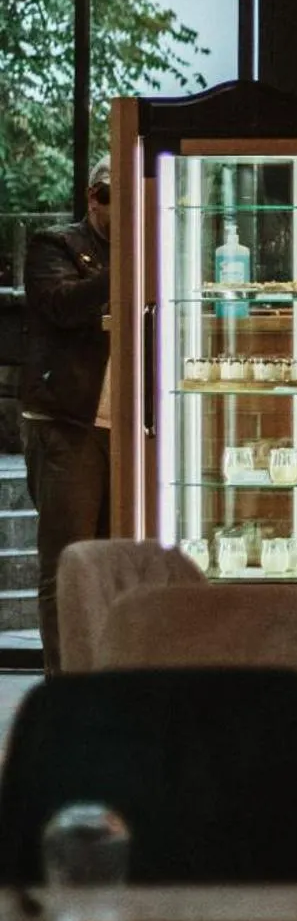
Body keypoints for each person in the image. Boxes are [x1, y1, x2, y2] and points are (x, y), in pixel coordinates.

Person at [20, 158, 113, 671]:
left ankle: (108, 676)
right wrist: (126, 265)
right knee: (68, 564)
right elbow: (60, 304)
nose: (118, 211)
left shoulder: (158, 243)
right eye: (108, 197)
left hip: (132, 426)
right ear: (92, 196)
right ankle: (68, 687)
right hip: (68, 424)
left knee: (113, 563)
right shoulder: (54, 245)